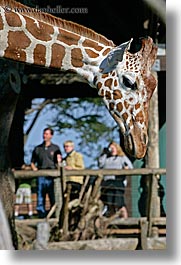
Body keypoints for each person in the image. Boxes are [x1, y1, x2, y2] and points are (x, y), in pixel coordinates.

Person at [31, 127, 62, 218]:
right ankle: (41, 216)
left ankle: (54, 216)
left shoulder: (56, 148)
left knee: (53, 196)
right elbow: (32, 162)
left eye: (47, 134)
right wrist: (35, 169)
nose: (45, 136)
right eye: (44, 134)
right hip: (41, 176)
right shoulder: (38, 148)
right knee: (40, 197)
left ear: (51, 136)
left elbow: (59, 162)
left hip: (52, 176)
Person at [98, 141, 133, 218]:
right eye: (111, 148)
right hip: (107, 183)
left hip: (118, 183)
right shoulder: (106, 159)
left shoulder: (122, 158)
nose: (112, 150)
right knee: (109, 205)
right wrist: (104, 153)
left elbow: (130, 167)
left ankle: (126, 222)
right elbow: (100, 164)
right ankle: (111, 223)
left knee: (120, 204)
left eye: (114, 148)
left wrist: (126, 169)